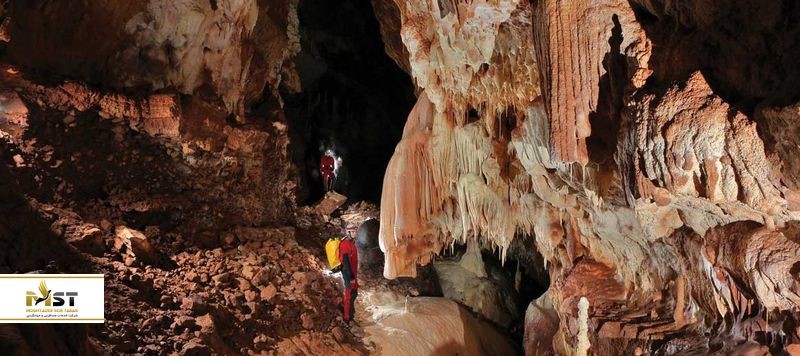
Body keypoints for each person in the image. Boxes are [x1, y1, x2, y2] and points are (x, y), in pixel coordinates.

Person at [338, 225, 359, 322]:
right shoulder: (345, 243)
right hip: (348, 273)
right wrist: (350, 275)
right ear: (348, 232)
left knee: (354, 293)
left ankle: (351, 313)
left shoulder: (351, 242)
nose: (355, 233)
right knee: (349, 294)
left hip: (352, 272)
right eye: (353, 232)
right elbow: (345, 260)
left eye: (355, 231)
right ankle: (347, 317)